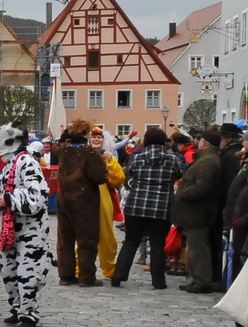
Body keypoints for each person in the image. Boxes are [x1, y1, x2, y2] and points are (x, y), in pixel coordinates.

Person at [0, 123, 49, 327]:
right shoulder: (11, 164)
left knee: (27, 271)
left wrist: (8, 199)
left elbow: (36, 198)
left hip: (31, 229)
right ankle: (17, 308)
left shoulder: (27, 162)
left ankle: (29, 315)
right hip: (12, 228)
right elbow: (1, 185)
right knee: (8, 270)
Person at [111, 126, 187, 289]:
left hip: (136, 205)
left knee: (131, 241)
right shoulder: (172, 159)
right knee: (157, 244)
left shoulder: (137, 157)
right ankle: (158, 281)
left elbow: (131, 173)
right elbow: (180, 174)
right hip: (161, 207)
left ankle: (118, 275)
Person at [53, 119, 109, 285]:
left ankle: (66, 274)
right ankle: (86, 276)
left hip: (64, 199)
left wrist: (66, 132)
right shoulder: (89, 153)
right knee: (87, 239)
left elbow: (59, 144)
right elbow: (99, 177)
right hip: (84, 201)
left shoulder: (63, 150)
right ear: (87, 134)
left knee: (65, 239)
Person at [174, 129, 223, 293]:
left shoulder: (208, 161)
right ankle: (197, 278)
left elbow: (202, 187)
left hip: (199, 212)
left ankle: (202, 280)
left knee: (199, 248)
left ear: (204, 143)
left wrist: (182, 194)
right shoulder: (206, 159)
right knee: (195, 248)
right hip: (196, 212)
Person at [90, 125, 125, 280]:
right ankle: (81, 268)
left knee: (106, 236)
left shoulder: (109, 156)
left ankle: (110, 268)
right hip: (85, 198)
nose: (96, 140)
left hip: (104, 197)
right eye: (94, 137)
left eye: (99, 137)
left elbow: (118, 179)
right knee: (84, 236)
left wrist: (110, 162)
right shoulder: (83, 154)